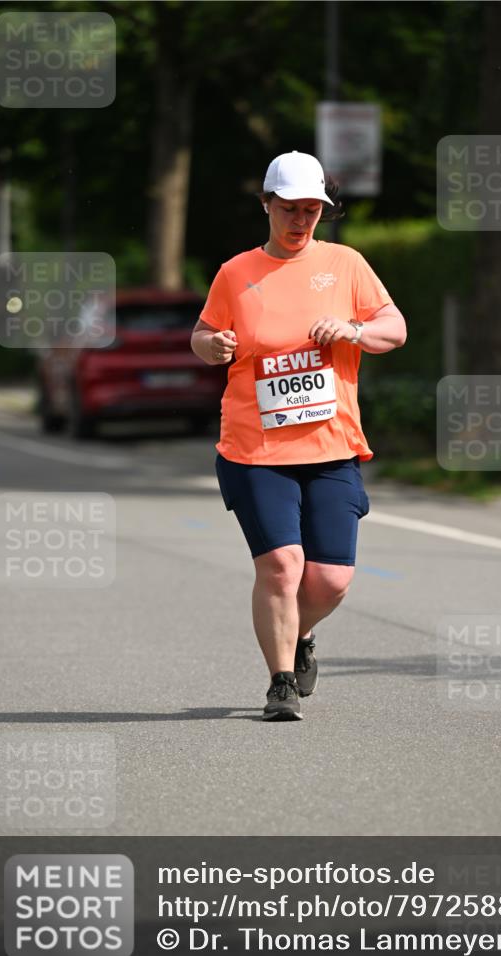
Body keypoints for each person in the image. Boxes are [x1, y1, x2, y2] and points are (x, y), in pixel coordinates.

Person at [191, 150, 407, 720]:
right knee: (283, 566)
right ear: (266, 204)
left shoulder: (346, 265)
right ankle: (280, 682)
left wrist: (354, 329)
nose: (299, 221)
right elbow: (203, 334)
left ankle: (298, 635)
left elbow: (395, 328)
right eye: (288, 209)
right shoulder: (236, 272)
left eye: (312, 210)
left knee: (330, 579)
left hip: (332, 446)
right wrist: (211, 346)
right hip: (255, 449)